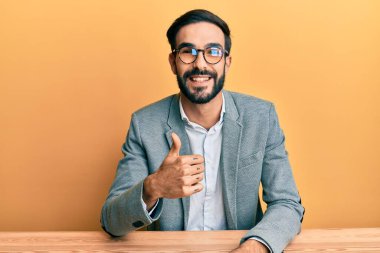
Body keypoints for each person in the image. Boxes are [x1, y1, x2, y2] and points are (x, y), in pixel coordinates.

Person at [101, 9, 304, 253]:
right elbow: (111, 221)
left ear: (227, 62)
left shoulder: (261, 117)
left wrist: (255, 247)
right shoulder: (145, 124)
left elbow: (287, 203)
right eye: (188, 52)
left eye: (213, 52)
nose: (200, 64)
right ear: (173, 63)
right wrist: (153, 187)